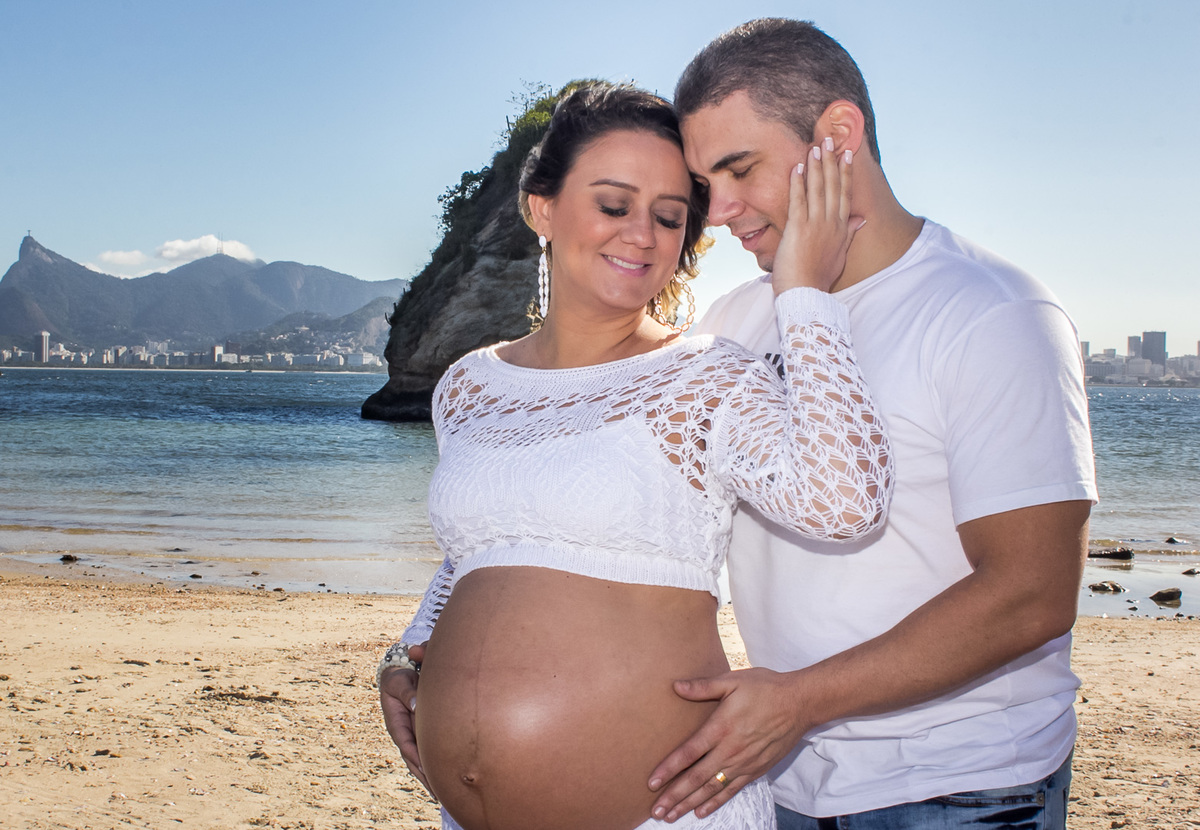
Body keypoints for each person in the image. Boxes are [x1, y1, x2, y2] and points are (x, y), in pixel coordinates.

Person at [377, 81, 893, 830]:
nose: (641, 235)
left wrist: (804, 294)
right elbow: (477, 551)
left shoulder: (707, 376)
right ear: (542, 207)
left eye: (668, 217)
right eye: (614, 205)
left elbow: (846, 505)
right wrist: (408, 651)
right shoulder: (468, 385)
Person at [643, 18, 1097, 830]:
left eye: (739, 169)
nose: (718, 212)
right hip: (786, 782)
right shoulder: (731, 321)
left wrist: (798, 703)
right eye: (705, 182)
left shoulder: (994, 312)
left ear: (838, 136)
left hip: (963, 787)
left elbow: (1030, 595)